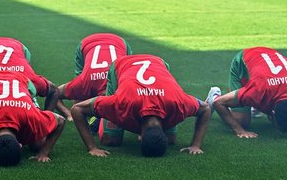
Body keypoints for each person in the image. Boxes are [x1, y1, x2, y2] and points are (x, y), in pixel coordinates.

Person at [71, 54, 211, 157]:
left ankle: (103, 113)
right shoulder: (122, 103)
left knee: (171, 140)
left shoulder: (177, 103)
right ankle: (98, 119)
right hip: (121, 65)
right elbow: (77, 109)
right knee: (111, 140)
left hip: (159, 65)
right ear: (140, 136)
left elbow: (205, 109)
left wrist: (196, 145)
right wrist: (92, 147)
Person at [206, 47, 287, 138]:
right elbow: (219, 103)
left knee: (259, 97)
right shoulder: (259, 90)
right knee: (241, 121)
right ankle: (214, 95)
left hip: (267, 62)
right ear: (272, 113)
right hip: (245, 59)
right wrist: (239, 130)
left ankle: (256, 105)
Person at [55, 33, 132, 122]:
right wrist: (68, 113)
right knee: (78, 101)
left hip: (119, 43)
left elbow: (54, 93)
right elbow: (55, 93)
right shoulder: (83, 84)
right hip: (91, 44)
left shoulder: (84, 84)